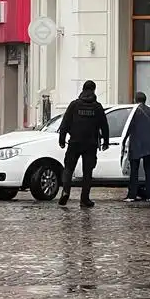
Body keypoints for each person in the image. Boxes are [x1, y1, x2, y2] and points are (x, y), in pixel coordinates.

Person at [58, 80, 109, 208]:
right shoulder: (97, 107)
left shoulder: (74, 105)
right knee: (88, 172)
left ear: (83, 89)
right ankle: (84, 199)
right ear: (94, 90)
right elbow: (104, 126)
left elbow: (64, 123)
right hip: (90, 144)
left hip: (74, 142)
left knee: (69, 168)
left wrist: (61, 139)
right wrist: (106, 142)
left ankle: (65, 191)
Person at [123, 91, 150, 202]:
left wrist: (123, 141)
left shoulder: (132, 113)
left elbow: (126, 127)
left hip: (136, 144)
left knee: (134, 171)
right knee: (149, 170)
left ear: (135, 100)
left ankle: (132, 195)